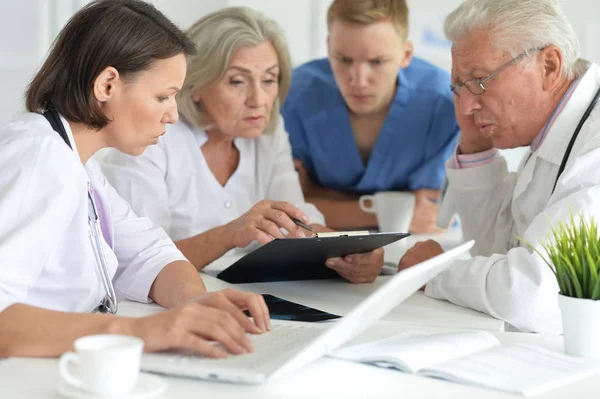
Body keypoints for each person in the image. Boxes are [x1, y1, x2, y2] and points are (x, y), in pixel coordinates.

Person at [0, 0, 270, 359]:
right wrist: (141, 331)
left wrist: (199, 303)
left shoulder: (81, 164)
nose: (173, 115)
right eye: (163, 96)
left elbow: (148, 252)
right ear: (108, 85)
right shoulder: (38, 158)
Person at [100, 7, 384, 284]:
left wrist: (350, 251)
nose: (259, 100)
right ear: (195, 84)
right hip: (170, 302)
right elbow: (139, 260)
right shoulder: (152, 136)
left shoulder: (268, 131)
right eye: (237, 81)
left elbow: (298, 221)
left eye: (269, 79)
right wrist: (229, 234)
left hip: (256, 293)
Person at [398, 0, 599, 334]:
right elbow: (498, 248)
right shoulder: (550, 130)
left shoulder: (592, 144)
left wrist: (436, 271)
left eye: (479, 80)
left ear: (548, 65)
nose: (466, 105)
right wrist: (474, 142)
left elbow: (532, 295)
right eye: (458, 87)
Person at [281, 0, 459, 232]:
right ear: (328, 47)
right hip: (320, 247)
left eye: (377, 62)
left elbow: (433, 214)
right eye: (344, 60)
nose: (358, 80)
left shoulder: (444, 105)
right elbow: (289, 208)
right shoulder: (294, 96)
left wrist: (324, 196)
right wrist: (396, 209)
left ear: (406, 55)